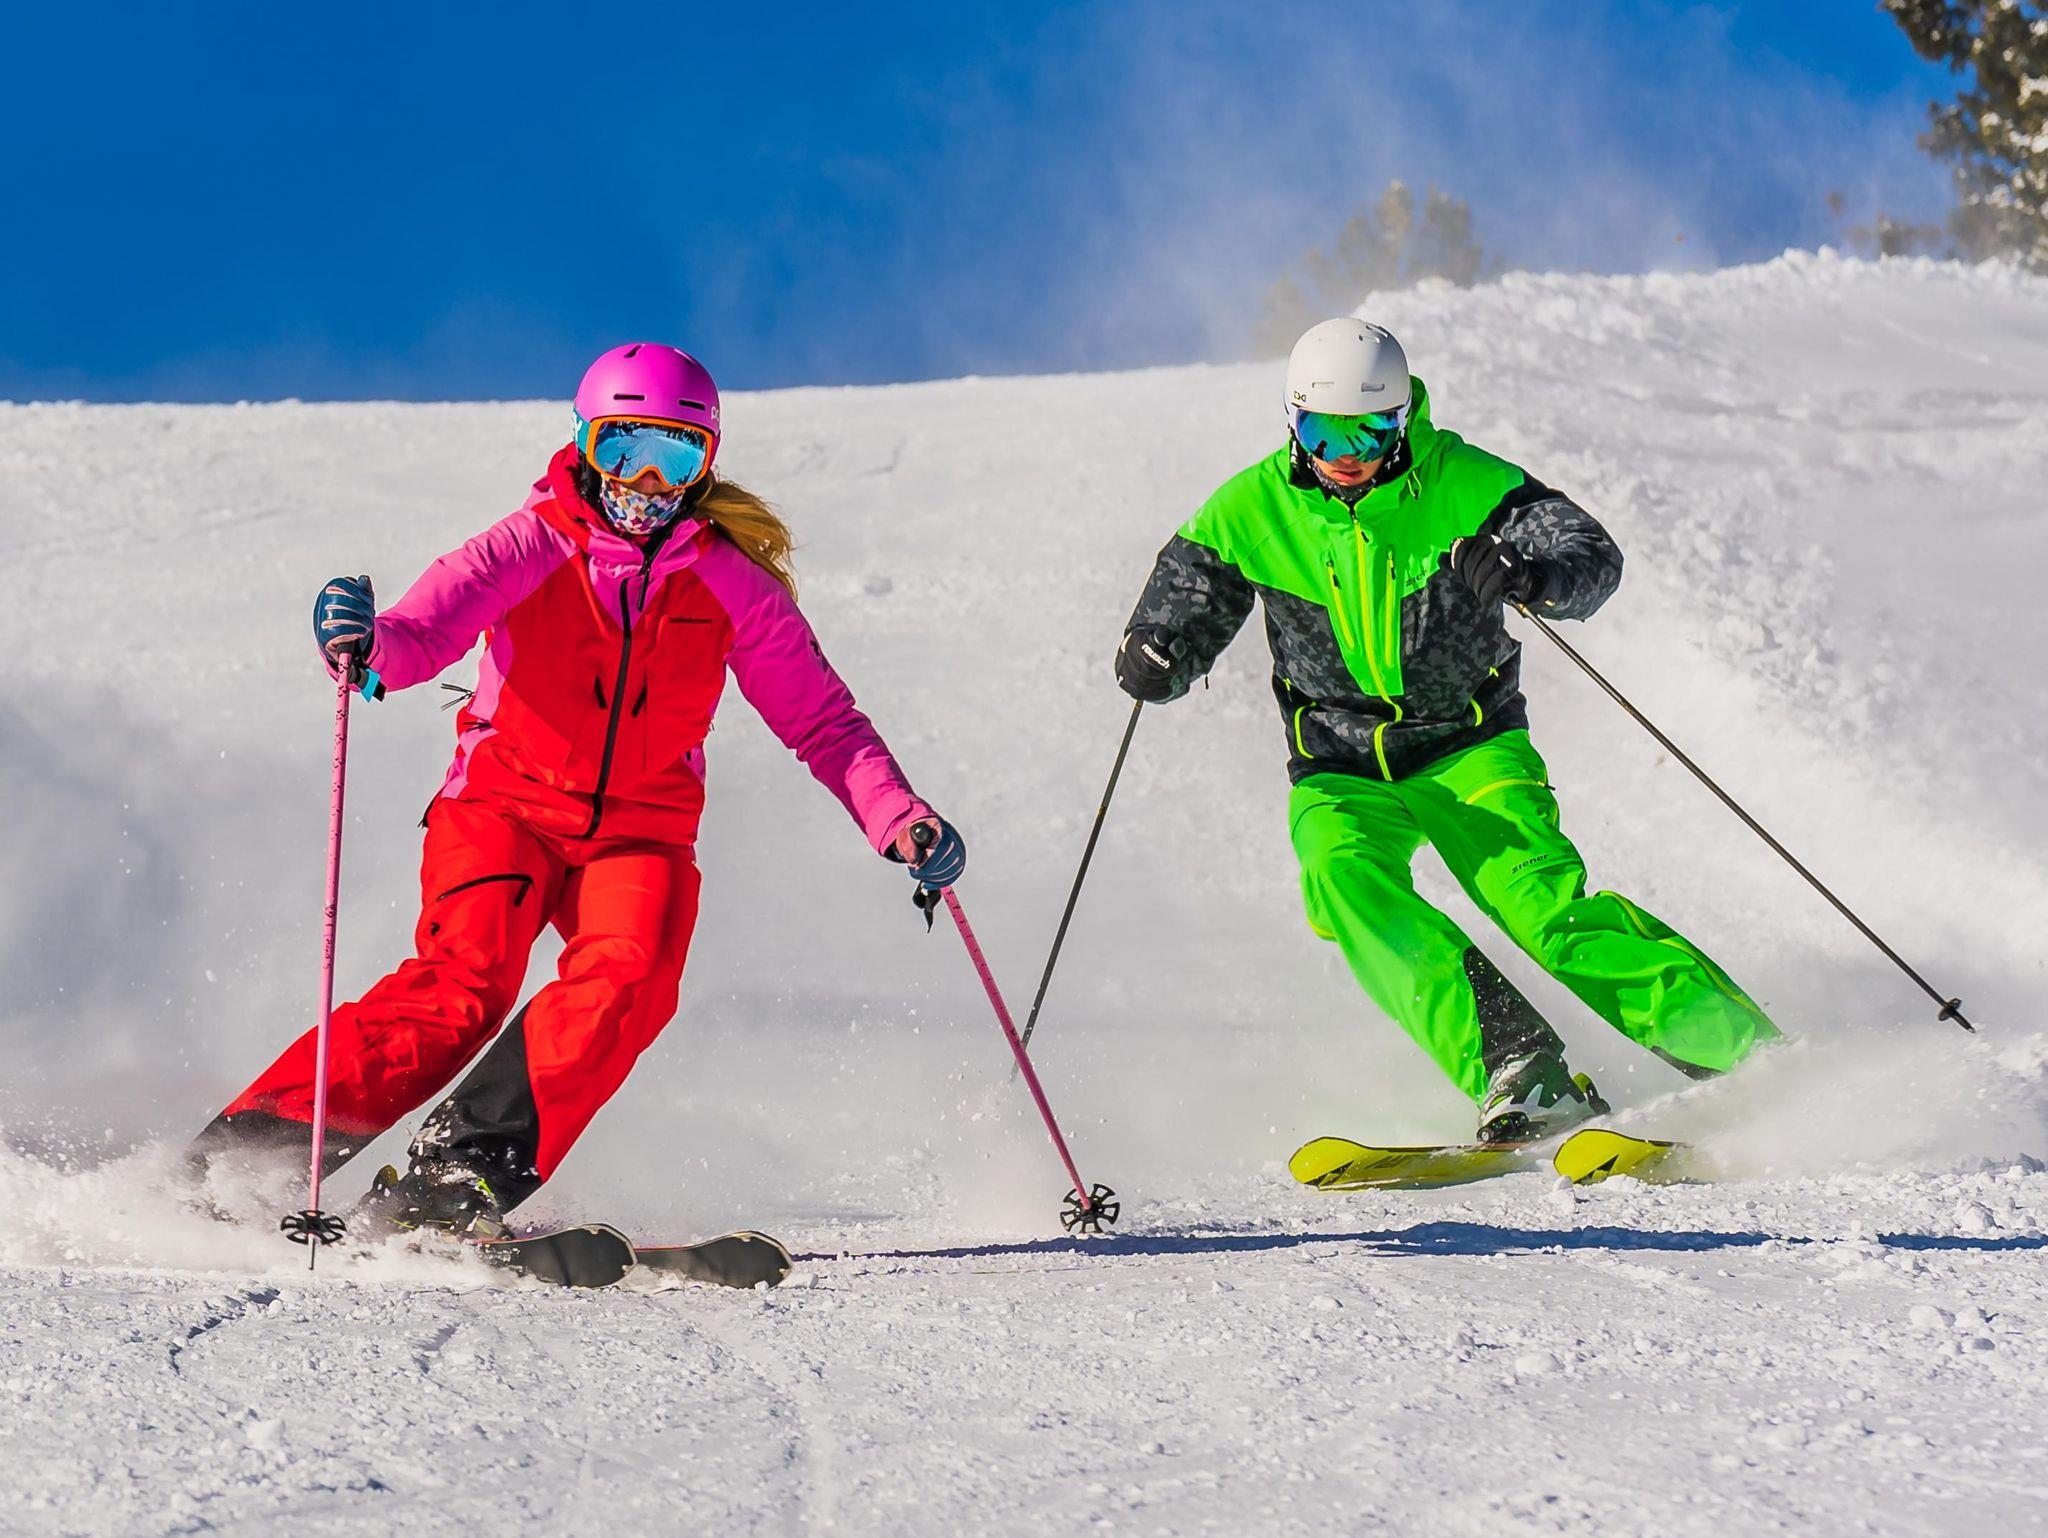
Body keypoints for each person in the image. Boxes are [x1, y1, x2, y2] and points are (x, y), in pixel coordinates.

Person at [192, 342, 966, 1232]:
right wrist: (370, 648)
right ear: (585, 444)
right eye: (623, 448)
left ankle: (457, 1178)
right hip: (503, 807)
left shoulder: (732, 587)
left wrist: (897, 816)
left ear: (706, 465)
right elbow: (428, 626)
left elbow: (822, 720)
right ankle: (245, 1159)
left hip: (641, 832)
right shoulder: (533, 542)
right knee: (463, 986)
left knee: (632, 978)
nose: (647, 480)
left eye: (676, 455)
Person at [1114, 318, 1779, 1142]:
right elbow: (1182, 602)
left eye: (1368, 431)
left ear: (1403, 420)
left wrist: (1534, 574)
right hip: (1339, 764)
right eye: (1323, 433)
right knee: (1343, 880)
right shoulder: (1252, 509)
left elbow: (1589, 555)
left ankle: (1744, 1053)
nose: (1345, 454)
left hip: (1470, 745)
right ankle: (1519, 1068)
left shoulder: (1466, 483)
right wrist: (1158, 651)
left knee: (1541, 910)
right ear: (1294, 423)